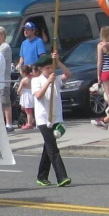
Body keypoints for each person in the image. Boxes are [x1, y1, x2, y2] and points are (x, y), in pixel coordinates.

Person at [31, 53, 72, 187]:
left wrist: (58, 62)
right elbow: (38, 95)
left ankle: (42, 176)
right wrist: (48, 83)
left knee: (48, 147)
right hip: (44, 118)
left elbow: (68, 74)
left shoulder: (57, 79)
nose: (50, 70)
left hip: (56, 117)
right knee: (53, 148)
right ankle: (62, 177)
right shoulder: (36, 80)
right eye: (47, 68)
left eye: (51, 67)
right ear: (41, 69)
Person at [0, 26, 14, 133]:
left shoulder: (4, 47)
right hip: (0, 79)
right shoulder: (0, 47)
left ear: (2, 35)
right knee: (1, 101)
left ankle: (9, 124)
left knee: (5, 101)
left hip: (4, 78)